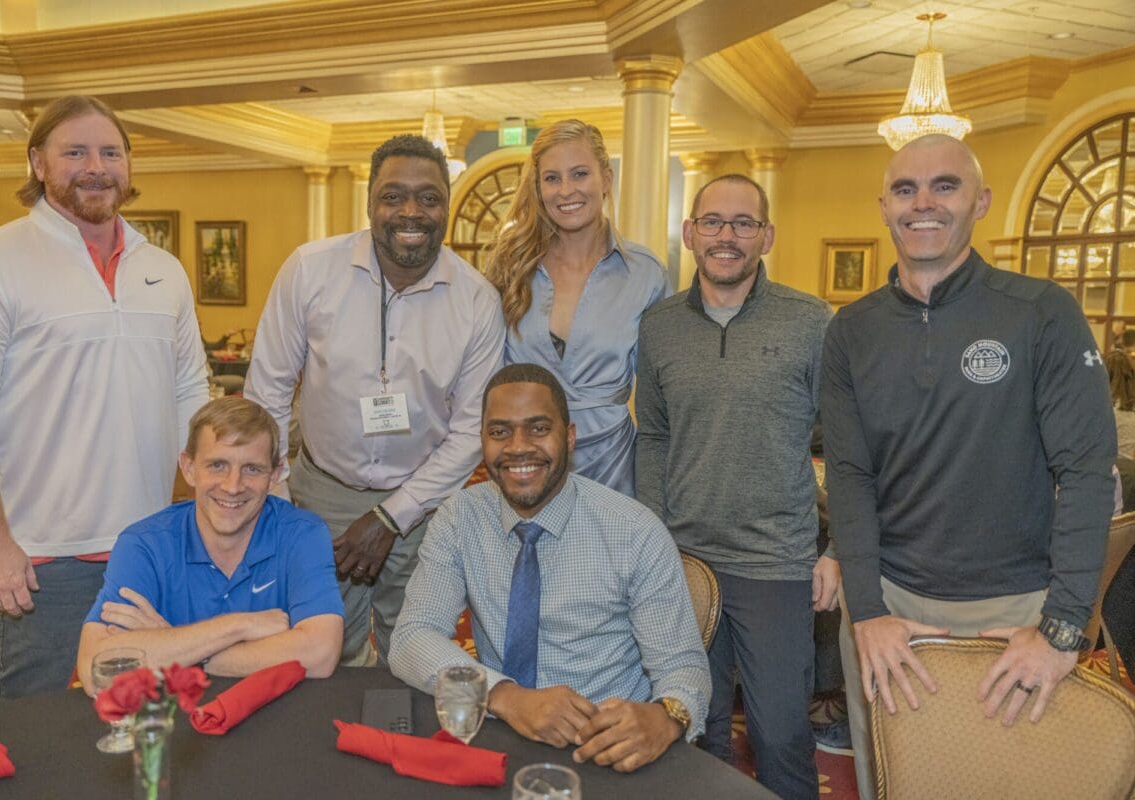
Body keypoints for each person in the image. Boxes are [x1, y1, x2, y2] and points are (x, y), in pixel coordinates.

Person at [821, 134, 1116, 800]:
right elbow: (850, 477)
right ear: (884, 207)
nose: (923, 203)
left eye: (945, 186)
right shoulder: (850, 330)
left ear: (980, 202)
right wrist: (865, 612)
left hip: (1012, 613)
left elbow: (1086, 473)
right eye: (905, 189)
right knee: (891, 785)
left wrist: (1062, 628)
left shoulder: (1041, 312)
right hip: (888, 607)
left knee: (1005, 786)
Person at [0, 95, 209, 701]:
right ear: (38, 163)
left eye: (111, 152)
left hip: (150, 545)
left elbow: (190, 389)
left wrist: (205, 508)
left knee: (145, 705)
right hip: (42, 555)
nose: (96, 167)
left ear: (129, 165)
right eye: (75, 152)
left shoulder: (163, 268)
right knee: (30, 721)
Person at [244, 134, 505, 668]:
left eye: (429, 198)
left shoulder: (477, 300)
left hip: (424, 500)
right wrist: (281, 499)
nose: (411, 212)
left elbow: (470, 430)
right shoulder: (310, 270)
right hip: (319, 496)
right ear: (369, 204)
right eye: (393, 196)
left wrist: (391, 517)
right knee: (320, 651)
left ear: (446, 206)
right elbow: (267, 391)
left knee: (412, 652)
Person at [390, 363, 709, 773]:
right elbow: (411, 637)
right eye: (499, 432)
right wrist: (506, 697)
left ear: (570, 437)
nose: (518, 447)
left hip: (603, 749)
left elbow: (684, 668)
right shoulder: (459, 518)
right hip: (499, 732)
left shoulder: (633, 531)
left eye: (538, 429)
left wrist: (665, 717)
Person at [636, 174, 835, 799]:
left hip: (776, 562)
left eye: (744, 223)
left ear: (766, 236)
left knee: (780, 737)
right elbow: (654, 436)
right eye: (713, 222)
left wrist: (837, 550)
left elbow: (850, 446)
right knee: (699, 733)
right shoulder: (659, 325)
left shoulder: (811, 321)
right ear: (690, 233)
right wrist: (654, 541)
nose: (727, 236)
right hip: (685, 562)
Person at [77, 397, 343, 695]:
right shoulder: (143, 544)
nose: (233, 486)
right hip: (172, 716)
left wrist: (178, 647)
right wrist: (239, 626)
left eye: (252, 469)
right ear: (188, 468)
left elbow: (320, 654)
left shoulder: (303, 534)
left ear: (275, 476)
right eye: (217, 465)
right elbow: (96, 670)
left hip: (278, 715)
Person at [484, 120, 670, 497]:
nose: (566, 190)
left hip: (612, 466)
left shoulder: (645, 274)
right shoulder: (509, 266)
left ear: (606, 179)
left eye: (580, 174)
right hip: (523, 463)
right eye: (552, 178)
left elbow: (661, 399)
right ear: (538, 188)